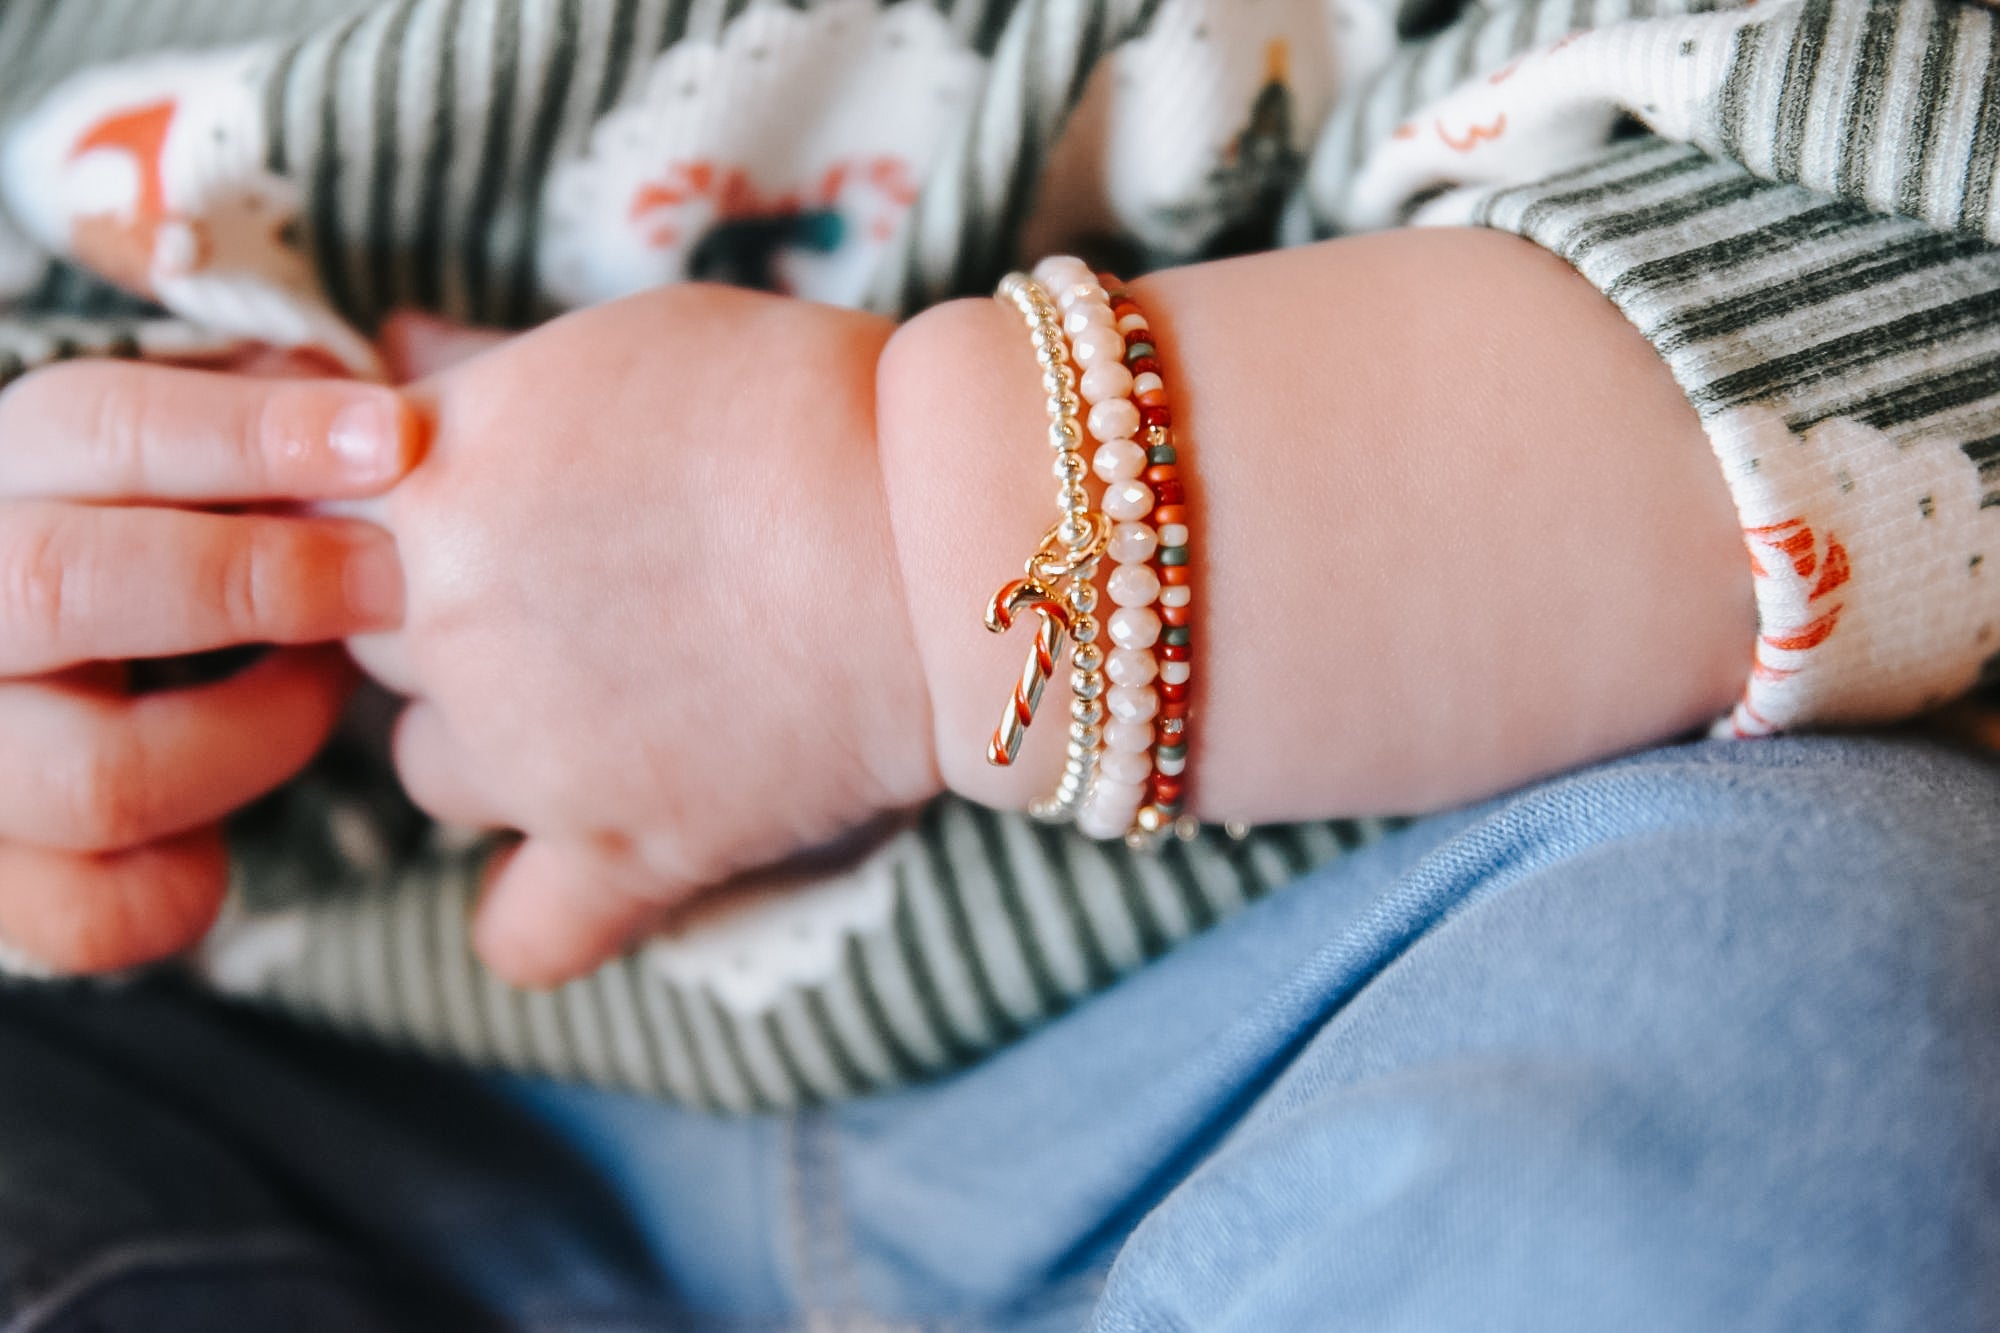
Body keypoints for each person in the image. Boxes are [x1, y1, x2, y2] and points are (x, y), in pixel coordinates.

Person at [0, 0, 1991, 1327]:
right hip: (271, 1083)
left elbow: (1932, 210)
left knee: (1840, 1026)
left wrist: (876, 552)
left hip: (1353, 926)